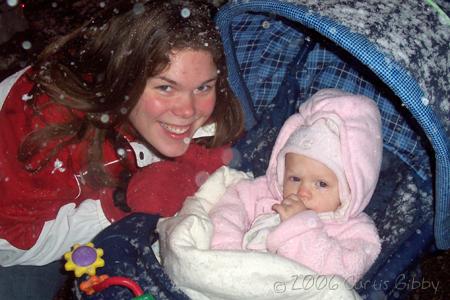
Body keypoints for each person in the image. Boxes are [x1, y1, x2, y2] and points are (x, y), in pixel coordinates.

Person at [0, 0, 243, 298]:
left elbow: (216, 145)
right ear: (123, 80)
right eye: (166, 87)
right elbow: (8, 245)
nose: (189, 110)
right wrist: (117, 207)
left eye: (203, 87)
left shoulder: (206, 99)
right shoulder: (41, 126)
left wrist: (188, 169)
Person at [209, 89, 382, 285]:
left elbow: (339, 277)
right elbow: (227, 210)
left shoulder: (357, 232)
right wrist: (227, 252)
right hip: (234, 278)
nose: (302, 192)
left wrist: (300, 226)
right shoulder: (263, 192)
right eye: (295, 178)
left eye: (321, 184)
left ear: (350, 189)